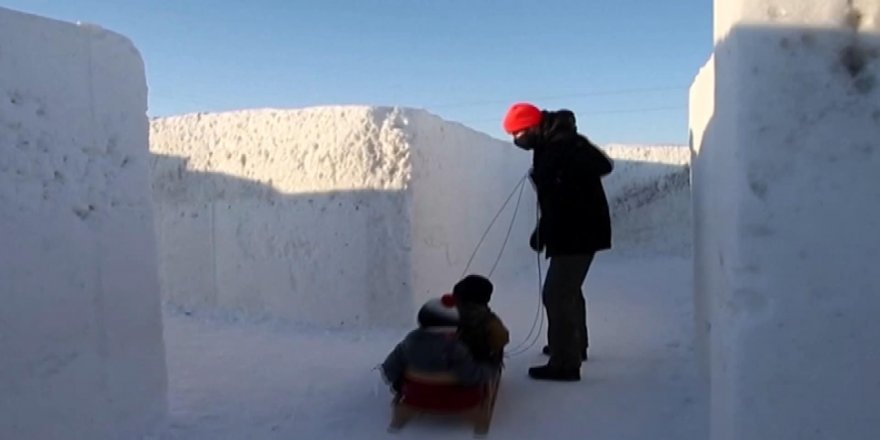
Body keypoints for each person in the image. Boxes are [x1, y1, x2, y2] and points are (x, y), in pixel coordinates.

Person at [502, 102, 613, 382]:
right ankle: (573, 346)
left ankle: (565, 364)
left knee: (556, 293)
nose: (517, 141)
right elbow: (556, 197)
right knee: (569, 291)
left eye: (518, 133)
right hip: (573, 229)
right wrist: (543, 229)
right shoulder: (552, 145)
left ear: (533, 126)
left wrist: (545, 229)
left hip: (578, 230)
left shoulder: (562, 146)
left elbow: (593, 172)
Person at [381, 294, 494, 393]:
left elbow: (389, 368)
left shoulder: (409, 341)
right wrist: (489, 368)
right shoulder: (456, 349)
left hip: (414, 395)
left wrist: (398, 382)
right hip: (453, 398)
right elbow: (471, 376)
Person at [451, 274, 509, 368]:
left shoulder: (446, 311)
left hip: (443, 361)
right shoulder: (488, 320)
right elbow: (501, 337)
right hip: (474, 368)